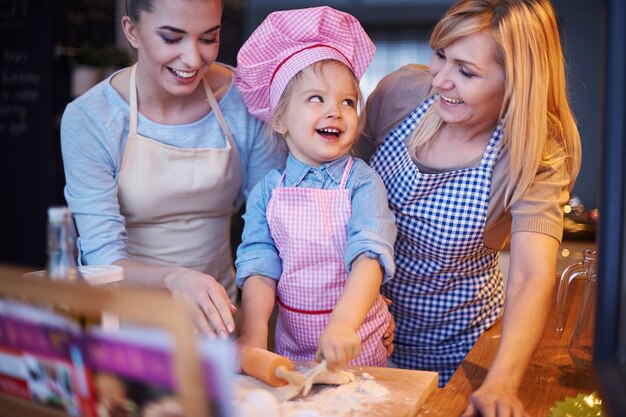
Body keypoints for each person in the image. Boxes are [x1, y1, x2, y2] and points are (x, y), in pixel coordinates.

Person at [357, 0, 581, 415]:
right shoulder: (399, 94)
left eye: (465, 71)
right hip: (363, 333)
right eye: (440, 55)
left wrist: (501, 381)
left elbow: (531, 275)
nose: (440, 80)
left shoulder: (531, 157)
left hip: (460, 347)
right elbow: (338, 194)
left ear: (517, 81)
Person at [60, 0, 282, 337]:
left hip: (223, 324)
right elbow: (103, 260)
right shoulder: (90, 119)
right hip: (124, 332)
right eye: (171, 38)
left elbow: (275, 226)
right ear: (131, 31)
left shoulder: (245, 99)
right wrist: (173, 277)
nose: (193, 60)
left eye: (208, 39)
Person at [233, 6, 396, 369]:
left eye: (348, 102)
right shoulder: (266, 192)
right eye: (316, 99)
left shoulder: (362, 182)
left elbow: (370, 256)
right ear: (280, 119)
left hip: (358, 345)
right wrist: (253, 335)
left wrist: (343, 325)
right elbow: (260, 266)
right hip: (291, 351)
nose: (335, 111)